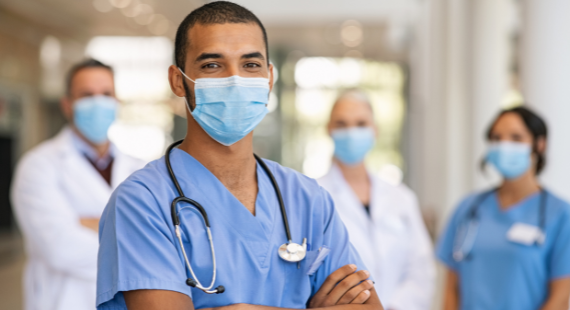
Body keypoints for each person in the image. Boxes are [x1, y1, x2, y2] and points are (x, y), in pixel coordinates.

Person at [96, 2, 383, 310]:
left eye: (250, 65)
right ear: (178, 81)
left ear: (269, 79)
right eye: (212, 65)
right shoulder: (143, 202)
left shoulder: (307, 199)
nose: (235, 80)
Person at [11, 59, 145, 310]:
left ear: (117, 102)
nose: (98, 103)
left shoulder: (140, 168)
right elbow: (61, 248)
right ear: (67, 104)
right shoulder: (38, 166)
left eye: (106, 94)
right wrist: (132, 231)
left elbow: (167, 238)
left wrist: (93, 223)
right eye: (87, 95)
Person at [437, 106, 570, 310]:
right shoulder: (468, 208)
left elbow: (560, 298)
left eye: (516, 138)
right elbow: (451, 290)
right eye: (496, 138)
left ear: (540, 144)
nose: (504, 145)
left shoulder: (560, 214)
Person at [317, 90, 435, 310]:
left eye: (361, 123)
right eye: (342, 124)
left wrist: (393, 307)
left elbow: (421, 268)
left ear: (375, 130)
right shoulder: (313, 196)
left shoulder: (401, 198)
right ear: (329, 129)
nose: (352, 132)